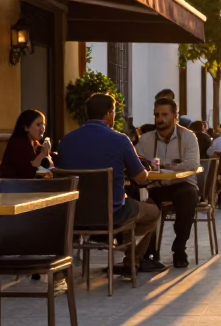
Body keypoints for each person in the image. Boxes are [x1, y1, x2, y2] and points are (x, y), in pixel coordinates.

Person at [55, 93, 162, 274]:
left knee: (127, 206)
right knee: (152, 212)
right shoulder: (120, 140)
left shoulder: (66, 141)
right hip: (111, 215)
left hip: (73, 215)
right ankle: (131, 260)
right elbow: (141, 177)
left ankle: (123, 247)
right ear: (109, 113)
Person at [136, 97, 200, 269]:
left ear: (174, 115)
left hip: (182, 184)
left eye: (165, 114)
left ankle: (179, 248)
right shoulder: (146, 139)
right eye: (157, 115)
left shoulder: (188, 136)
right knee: (143, 199)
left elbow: (192, 164)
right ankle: (148, 251)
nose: (160, 119)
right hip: (156, 186)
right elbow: (137, 163)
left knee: (189, 195)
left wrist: (165, 167)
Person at [0, 109, 52, 179]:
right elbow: (30, 174)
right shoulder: (18, 144)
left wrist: (47, 154)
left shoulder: (34, 143)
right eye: (38, 125)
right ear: (26, 127)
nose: (42, 129)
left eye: (43, 124)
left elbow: (46, 171)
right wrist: (43, 154)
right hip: (14, 187)